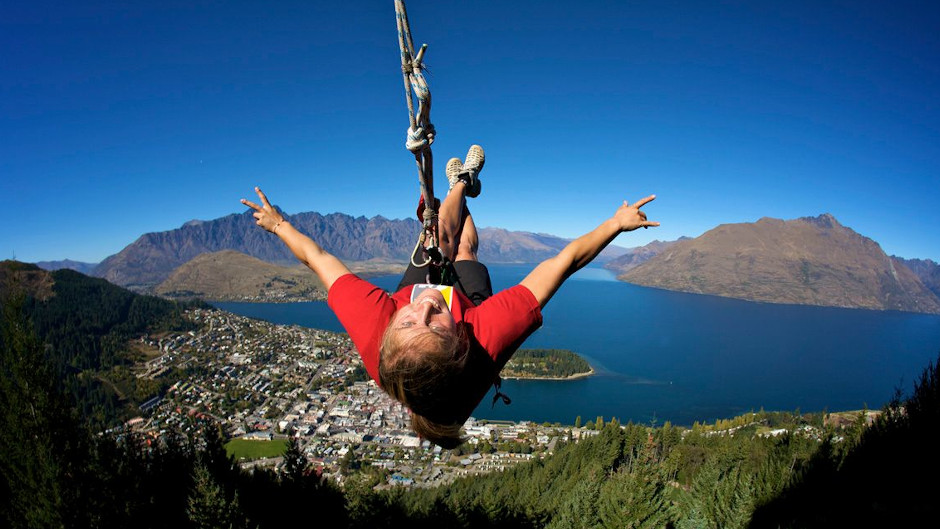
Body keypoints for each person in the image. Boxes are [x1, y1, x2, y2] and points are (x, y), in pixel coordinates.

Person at [241, 147, 659, 447]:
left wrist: (279, 226)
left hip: (415, 333)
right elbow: (561, 264)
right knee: (465, 251)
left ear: (391, 328)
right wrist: (614, 225)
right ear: (458, 340)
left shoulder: (374, 326)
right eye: (433, 324)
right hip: (470, 315)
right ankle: (463, 184)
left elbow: (318, 258)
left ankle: (455, 189)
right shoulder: (484, 340)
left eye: (409, 320)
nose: (426, 303)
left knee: (439, 237)